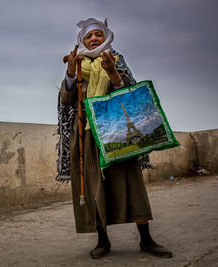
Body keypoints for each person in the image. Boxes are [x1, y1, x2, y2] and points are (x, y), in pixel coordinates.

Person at [59, 18, 173, 259]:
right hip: (87, 134)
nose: (93, 39)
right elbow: (67, 101)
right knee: (93, 188)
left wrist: (111, 72)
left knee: (132, 184)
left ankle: (146, 240)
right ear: (82, 40)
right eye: (89, 37)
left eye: (98, 35)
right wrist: (70, 76)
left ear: (106, 37)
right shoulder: (77, 64)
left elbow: (130, 91)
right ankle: (103, 241)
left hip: (117, 132)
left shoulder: (116, 60)